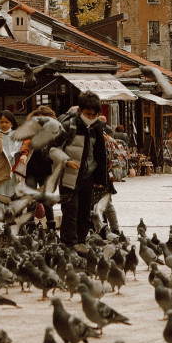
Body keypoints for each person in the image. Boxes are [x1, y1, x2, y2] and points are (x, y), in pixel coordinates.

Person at [49, 91, 108, 252]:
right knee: (70, 212)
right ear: (80, 111)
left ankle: (81, 243)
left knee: (85, 213)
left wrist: (100, 179)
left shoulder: (96, 127)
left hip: (88, 177)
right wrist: (66, 161)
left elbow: (100, 154)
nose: (91, 117)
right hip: (69, 177)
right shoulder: (69, 126)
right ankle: (68, 245)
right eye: (88, 114)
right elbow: (52, 149)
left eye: (94, 115)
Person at [23, 106, 58, 230]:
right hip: (31, 171)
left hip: (47, 171)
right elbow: (24, 146)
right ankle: (30, 227)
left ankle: (51, 227)